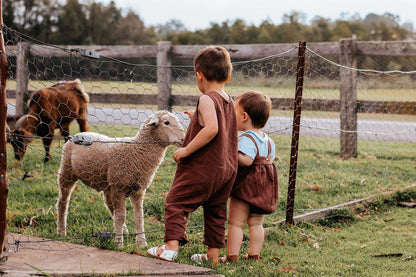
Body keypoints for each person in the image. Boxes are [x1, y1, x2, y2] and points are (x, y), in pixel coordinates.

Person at [147, 46, 238, 264]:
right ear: (228, 76)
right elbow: (218, 124)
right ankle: (212, 256)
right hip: (227, 169)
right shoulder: (229, 100)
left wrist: (186, 149)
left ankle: (169, 248)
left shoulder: (207, 99)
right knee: (216, 211)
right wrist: (196, 117)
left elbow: (212, 129)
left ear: (198, 75)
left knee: (176, 202)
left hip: (204, 166)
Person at [220, 90, 278, 263]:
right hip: (263, 188)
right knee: (256, 223)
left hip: (245, 187)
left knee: (235, 223)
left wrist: (231, 151)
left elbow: (246, 160)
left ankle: (232, 256)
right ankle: (253, 253)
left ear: (244, 116)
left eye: (234, 112)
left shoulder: (246, 138)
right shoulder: (267, 140)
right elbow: (269, 159)